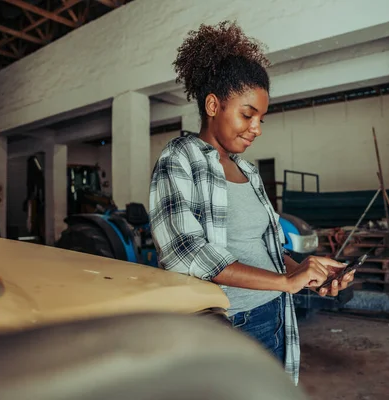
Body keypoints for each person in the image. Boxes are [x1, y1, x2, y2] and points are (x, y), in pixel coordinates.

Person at [149, 21, 354, 385]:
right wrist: (284, 281)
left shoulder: (248, 170)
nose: (257, 128)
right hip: (230, 326)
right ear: (213, 104)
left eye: (261, 118)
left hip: (275, 314)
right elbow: (187, 252)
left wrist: (304, 271)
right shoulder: (179, 158)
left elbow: (268, 246)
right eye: (247, 114)